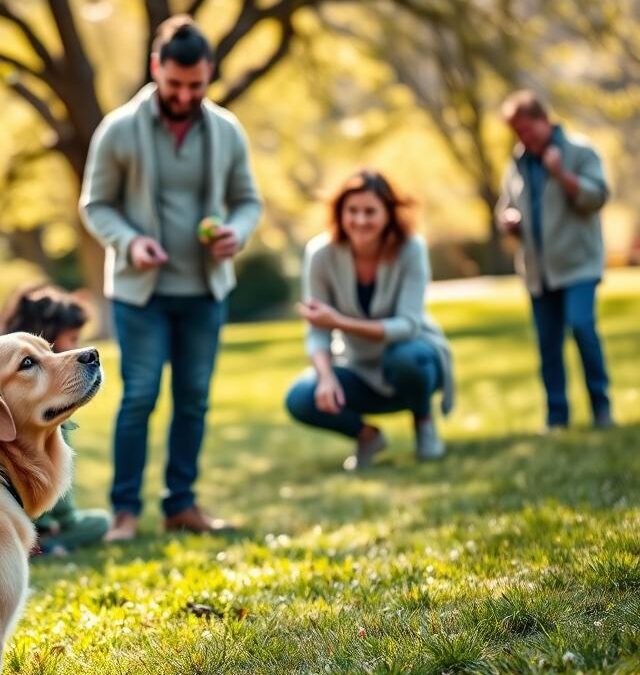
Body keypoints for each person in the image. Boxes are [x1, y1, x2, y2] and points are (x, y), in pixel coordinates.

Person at [79, 15, 262, 541]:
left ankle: (181, 504)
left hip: (205, 289)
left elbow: (249, 201)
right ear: (157, 67)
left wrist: (237, 232)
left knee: (194, 396)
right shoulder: (118, 128)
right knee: (139, 395)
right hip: (142, 293)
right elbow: (96, 204)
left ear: (209, 76)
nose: (184, 95)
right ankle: (125, 512)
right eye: (175, 83)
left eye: (196, 85)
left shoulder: (227, 130)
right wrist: (131, 241)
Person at [285, 170, 455, 470]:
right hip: (357, 367)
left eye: (370, 211)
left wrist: (339, 322)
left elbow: (408, 326)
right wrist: (325, 377)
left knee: (406, 357)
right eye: (352, 211)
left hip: (415, 362)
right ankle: (367, 437)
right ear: (340, 212)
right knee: (300, 397)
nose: (360, 220)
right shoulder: (321, 254)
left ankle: (424, 422)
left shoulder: (411, 249)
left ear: (389, 214)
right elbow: (317, 331)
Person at [496, 90, 613, 431]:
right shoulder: (516, 163)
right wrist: (508, 220)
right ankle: (557, 417)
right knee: (548, 345)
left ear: (544, 120)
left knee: (581, 327)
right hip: (538, 270)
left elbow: (597, 197)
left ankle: (600, 407)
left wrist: (561, 174)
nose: (523, 138)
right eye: (517, 132)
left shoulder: (579, 151)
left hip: (578, 263)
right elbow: (505, 205)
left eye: (527, 129)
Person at [0, 284, 110, 555]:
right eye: (71, 339)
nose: (77, 348)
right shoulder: (49, 414)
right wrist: (63, 522)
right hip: (36, 525)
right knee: (102, 523)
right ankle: (42, 546)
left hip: (5, 522)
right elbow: (62, 507)